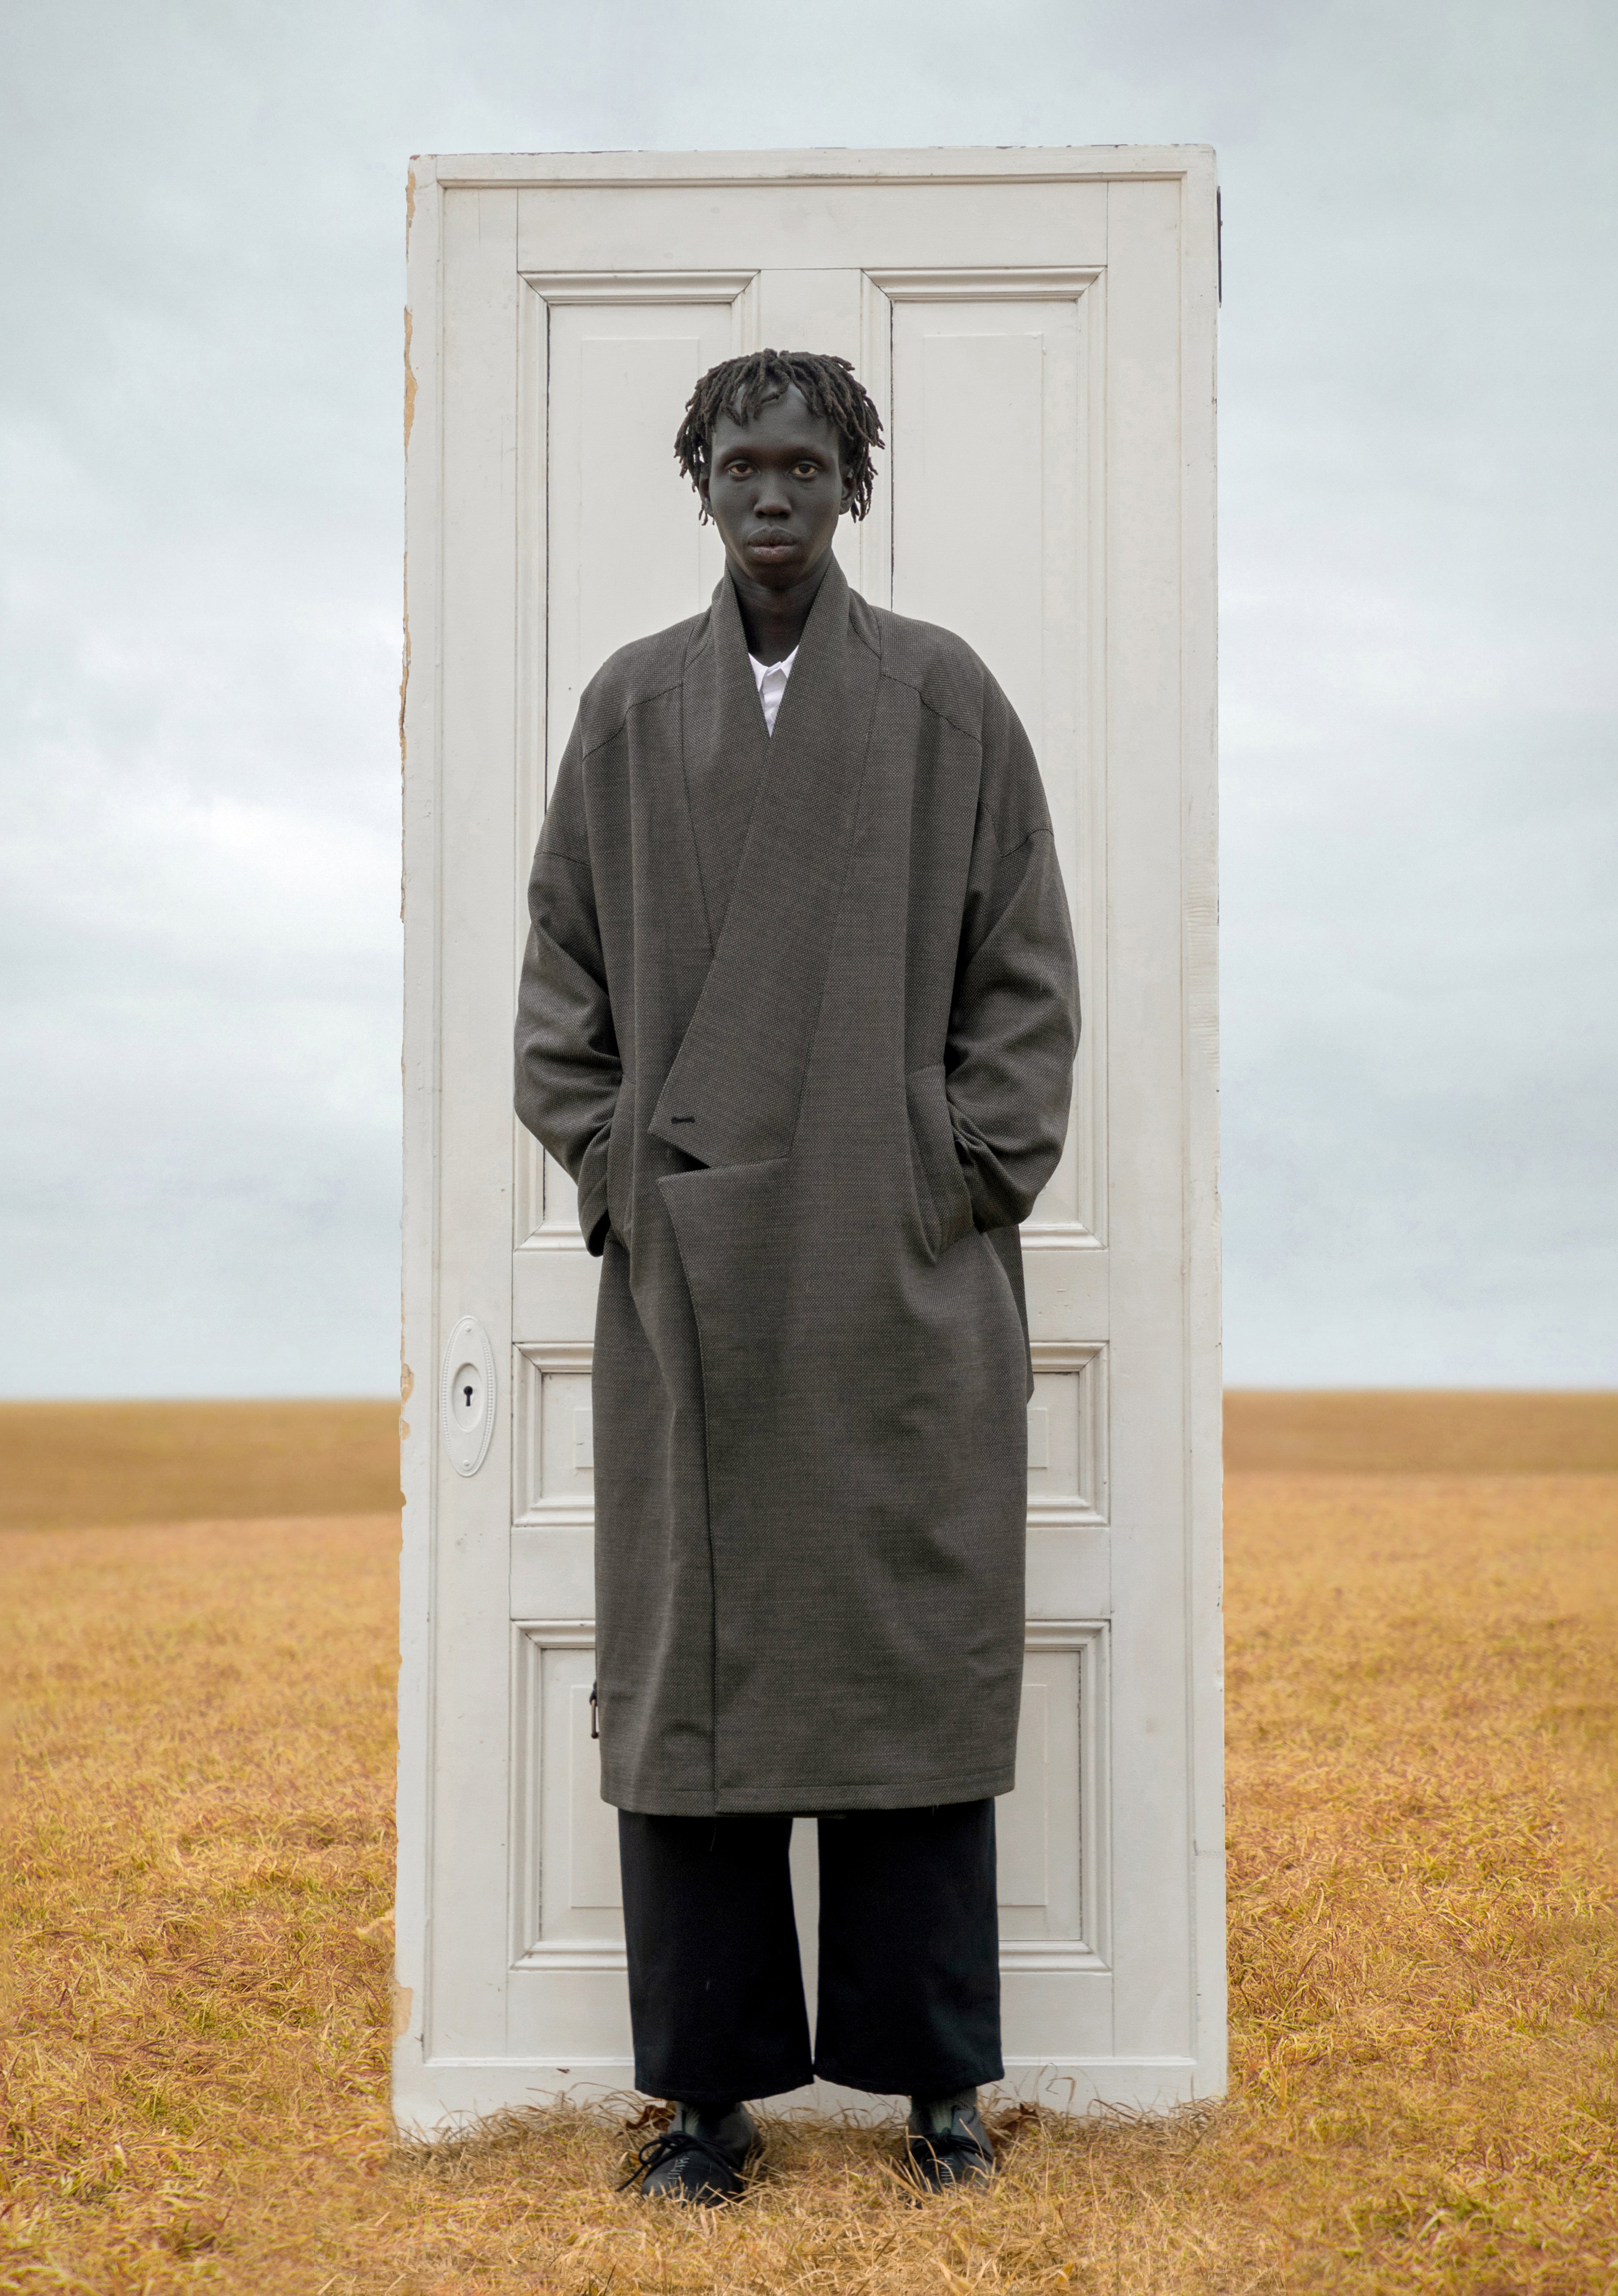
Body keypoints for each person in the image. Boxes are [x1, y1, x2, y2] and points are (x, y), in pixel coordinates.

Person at [515, 349, 1079, 2204]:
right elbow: (559, 990)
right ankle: (707, 2099)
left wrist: (953, 1173)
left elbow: (1022, 972)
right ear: (700, 483)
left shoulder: (942, 698)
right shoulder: (627, 707)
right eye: (742, 465)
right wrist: (619, 1174)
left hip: (893, 1277)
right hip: (693, 1281)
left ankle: (936, 2086)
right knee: (695, 1687)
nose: (773, 496)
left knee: (908, 1662)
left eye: (807, 468)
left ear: (852, 487)